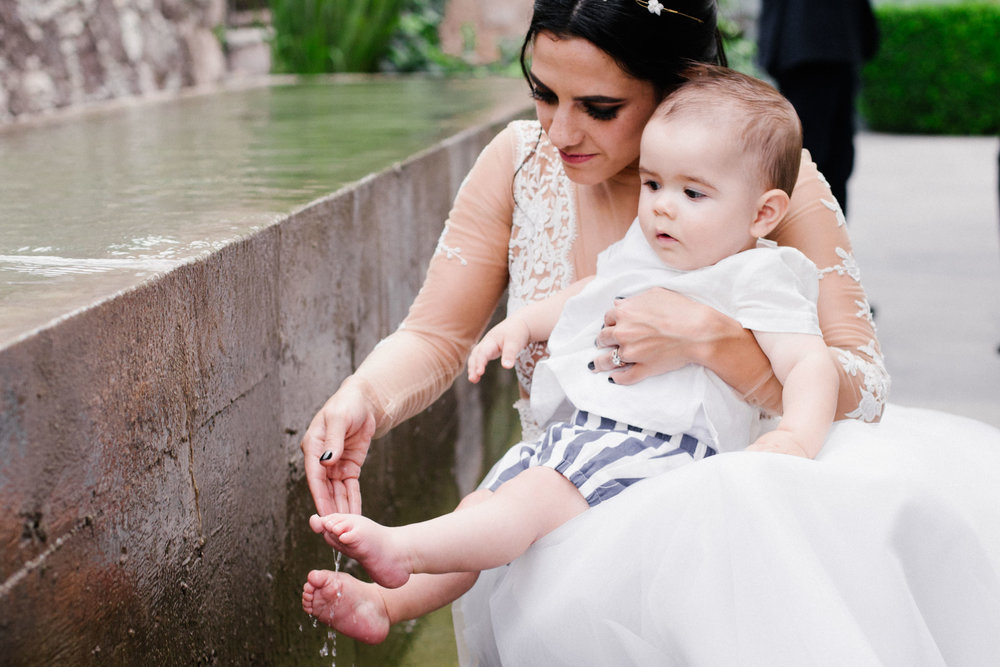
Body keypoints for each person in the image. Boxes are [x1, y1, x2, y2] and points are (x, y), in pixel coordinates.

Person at [298, 0, 1000, 662]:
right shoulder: (521, 163)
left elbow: (862, 379)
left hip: (733, 508)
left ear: (676, 86)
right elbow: (438, 335)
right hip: (562, 513)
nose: (560, 131)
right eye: (542, 93)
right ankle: (392, 597)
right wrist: (364, 397)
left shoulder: (753, 175)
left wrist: (712, 342)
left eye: (599, 108)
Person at [303, 65, 839, 620]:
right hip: (579, 436)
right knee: (482, 506)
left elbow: (810, 362)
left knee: (529, 502)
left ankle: (404, 548)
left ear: (764, 212)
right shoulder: (650, 244)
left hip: (661, 449)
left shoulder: (757, 274)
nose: (661, 205)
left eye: (692, 192)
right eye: (653, 184)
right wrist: (524, 324)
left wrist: (795, 437)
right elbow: (590, 292)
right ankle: (389, 604)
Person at [757, 0, 880, 215]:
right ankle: (820, 236)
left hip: (807, 48)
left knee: (817, 157)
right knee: (818, 158)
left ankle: (820, 236)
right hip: (828, 47)